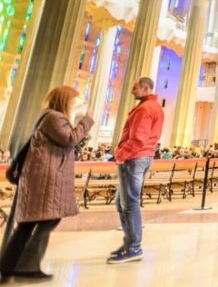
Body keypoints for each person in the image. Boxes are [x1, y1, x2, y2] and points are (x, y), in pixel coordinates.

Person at [0, 86, 93, 282]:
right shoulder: (54, 118)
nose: (74, 105)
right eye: (73, 101)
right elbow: (70, 139)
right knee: (46, 220)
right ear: (64, 100)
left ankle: (10, 265)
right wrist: (86, 120)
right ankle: (24, 266)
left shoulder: (50, 117)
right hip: (46, 178)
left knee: (30, 223)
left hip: (43, 177)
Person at [107, 77, 164, 264]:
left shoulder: (145, 109)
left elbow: (138, 138)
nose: (132, 91)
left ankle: (134, 247)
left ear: (145, 88)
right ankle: (130, 242)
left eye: (135, 87)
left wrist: (120, 154)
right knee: (121, 202)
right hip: (143, 156)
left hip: (134, 157)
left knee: (129, 203)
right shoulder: (154, 107)